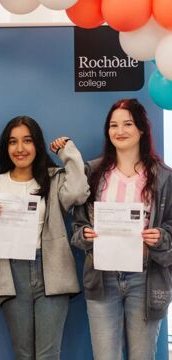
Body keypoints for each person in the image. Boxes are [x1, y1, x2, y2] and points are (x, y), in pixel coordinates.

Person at [71, 98, 172, 360]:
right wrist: (84, 235)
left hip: (145, 278)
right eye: (113, 125)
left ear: (141, 129)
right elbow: (78, 226)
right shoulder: (92, 172)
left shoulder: (163, 176)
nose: (120, 131)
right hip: (102, 278)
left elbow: (171, 226)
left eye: (128, 124)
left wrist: (160, 237)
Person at [0, 116, 89, 360]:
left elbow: (79, 192)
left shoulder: (53, 178)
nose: (20, 149)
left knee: (48, 355)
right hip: (12, 274)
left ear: (37, 144)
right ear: (6, 147)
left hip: (50, 270)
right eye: (13, 142)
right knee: (23, 354)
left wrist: (68, 151)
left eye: (27, 141)